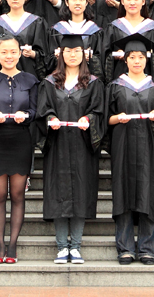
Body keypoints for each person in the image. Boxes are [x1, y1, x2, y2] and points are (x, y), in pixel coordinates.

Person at [37, 34, 105, 264]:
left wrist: (89, 119)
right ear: (61, 54)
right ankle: (61, 247)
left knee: (80, 193)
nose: (72, 55)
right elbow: (43, 110)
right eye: (68, 51)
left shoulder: (93, 83)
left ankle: (75, 247)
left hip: (82, 146)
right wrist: (51, 118)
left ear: (84, 54)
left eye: (77, 51)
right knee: (58, 194)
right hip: (57, 145)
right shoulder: (49, 82)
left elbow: (99, 111)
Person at [104, 34, 154, 265]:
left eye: (141, 57)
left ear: (147, 59)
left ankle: (147, 248)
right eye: (132, 57)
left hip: (149, 147)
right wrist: (117, 118)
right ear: (125, 60)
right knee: (122, 193)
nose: (137, 61)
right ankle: (125, 248)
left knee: (148, 194)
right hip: (122, 145)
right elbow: (105, 119)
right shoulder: (115, 86)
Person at [0, 34, 39, 264]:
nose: (9, 56)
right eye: (4, 52)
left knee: (17, 194)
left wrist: (26, 115)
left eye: (13, 52)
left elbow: (35, 111)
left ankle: (12, 246)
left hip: (20, 140)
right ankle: (0, 246)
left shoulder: (30, 80)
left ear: (20, 53)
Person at [97, 0, 154, 83]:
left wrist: (147, 56)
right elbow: (103, 55)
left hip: (147, 83)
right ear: (122, 1)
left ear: (143, 1)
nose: (132, 3)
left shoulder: (152, 28)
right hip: (119, 82)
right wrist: (114, 56)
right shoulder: (113, 27)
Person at [52, 0, 104, 80]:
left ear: (87, 2)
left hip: (88, 81)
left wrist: (90, 57)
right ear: (66, 2)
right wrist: (58, 56)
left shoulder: (95, 31)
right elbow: (48, 61)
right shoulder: (58, 29)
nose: (77, 3)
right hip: (63, 80)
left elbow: (101, 59)